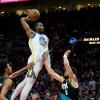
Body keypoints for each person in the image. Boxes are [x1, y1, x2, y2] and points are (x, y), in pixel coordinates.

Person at [11, 9, 51, 100]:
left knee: (25, 82)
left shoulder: (45, 38)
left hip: (37, 62)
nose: (42, 26)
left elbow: (46, 53)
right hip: (34, 62)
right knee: (29, 84)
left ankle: (11, 98)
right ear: (35, 27)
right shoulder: (32, 34)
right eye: (40, 25)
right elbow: (22, 21)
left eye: (43, 25)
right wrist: (27, 17)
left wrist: (48, 66)